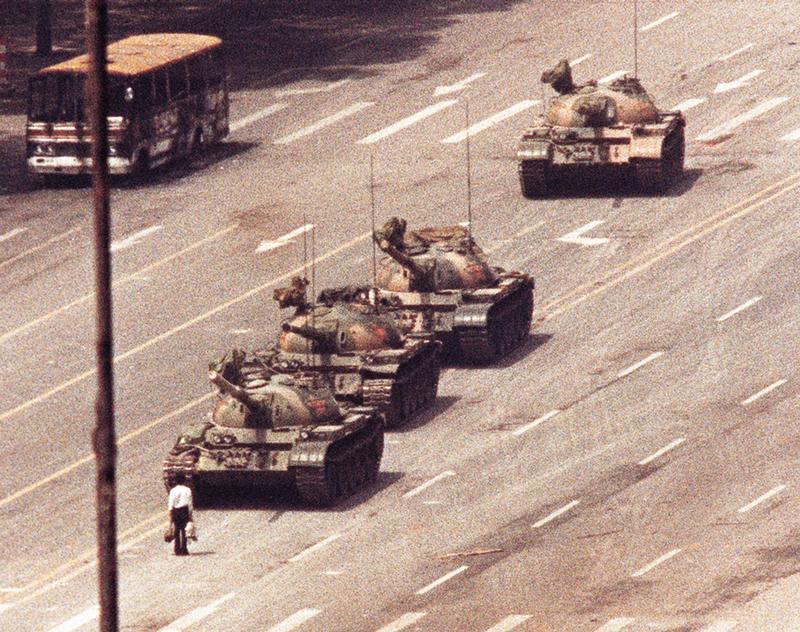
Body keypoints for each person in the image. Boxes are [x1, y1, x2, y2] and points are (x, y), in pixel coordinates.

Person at [167, 474, 193, 556]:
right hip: (184, 510)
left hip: (176, 510)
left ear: (176, 481)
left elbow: (171, 504)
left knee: (176, 530)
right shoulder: (188, 490)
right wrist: (190, 515)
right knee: (184, 530)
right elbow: (190, 503)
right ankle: (184, 549)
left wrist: (170, 514)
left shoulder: (173, 491)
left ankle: (177, 549)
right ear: (184, 480)